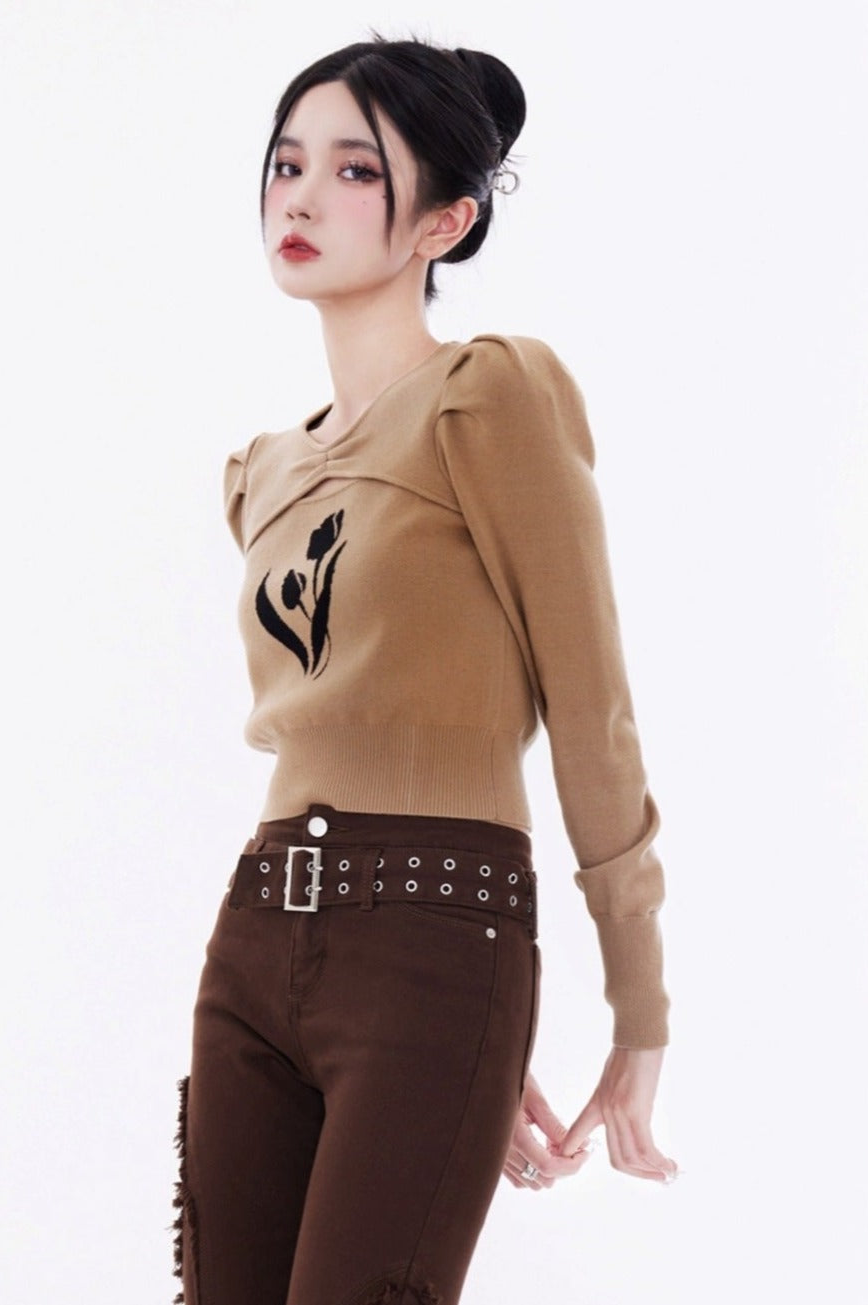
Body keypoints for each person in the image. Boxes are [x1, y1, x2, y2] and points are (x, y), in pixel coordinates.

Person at [171, 34, 678, 1305]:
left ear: (445, 223)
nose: (300, 196)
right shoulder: (263, 473)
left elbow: (592, 706)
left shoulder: (489, 396)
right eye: (287, 163)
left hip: (436, 933)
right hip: (256, 938)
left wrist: (636, 1007)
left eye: (356, 171)